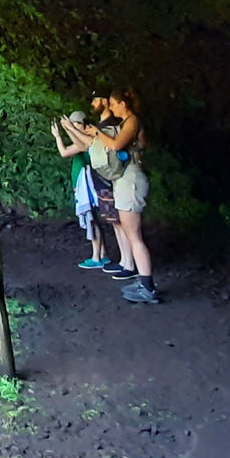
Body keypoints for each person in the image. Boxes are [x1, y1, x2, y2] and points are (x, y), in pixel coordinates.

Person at [66, 90, 158, 304]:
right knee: (131, 233)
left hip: (131, 181)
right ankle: (144, 281)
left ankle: (147, 287)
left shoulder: (132, 121)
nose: (112, 108)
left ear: (123, 104)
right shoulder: (126, 122)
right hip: (127, 181)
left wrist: (97, 133)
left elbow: (116, 145)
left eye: (114, 104)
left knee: (134, 237)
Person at [54, 101, 110, 270]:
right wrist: (61, 134)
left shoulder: (88, 139)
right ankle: (103, 255)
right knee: (93, 219)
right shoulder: (82, 139)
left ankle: (96, 257)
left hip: (90, 185)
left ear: (84, 125)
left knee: (91, 219)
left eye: (76, 124)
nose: (73, 126)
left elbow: (67, 152)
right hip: (85, 183)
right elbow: (66, 151)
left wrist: (63, 134)